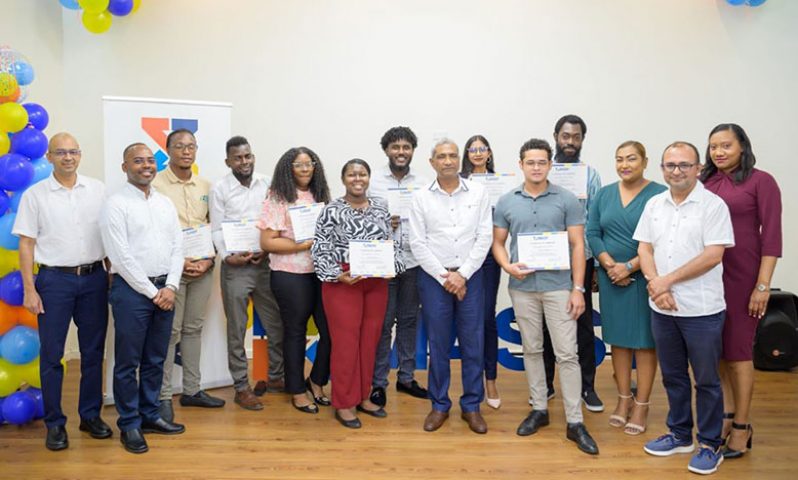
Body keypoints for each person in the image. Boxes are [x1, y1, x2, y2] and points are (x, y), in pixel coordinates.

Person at [493, 138, 599, 455]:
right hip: (523, 288)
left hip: (558, 287)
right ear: (521, 164)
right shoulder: (507, 201)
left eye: (542, 162)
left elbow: (579, 245)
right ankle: (539, 409)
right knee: (533, 349)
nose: (536, 167)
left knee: (567, 353)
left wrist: (578, 288)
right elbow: (498, 242)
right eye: (530, 162)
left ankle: (575, 421)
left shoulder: (567, 199)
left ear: (549, 165)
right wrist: (507, 265)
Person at [635, 141, 734, 475]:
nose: (676, 171)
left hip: (701, 310)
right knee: (673, 376)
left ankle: (709, 444)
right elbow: (645, 247)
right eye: (670, 165)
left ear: (698, 168)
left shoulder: (713, 205)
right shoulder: (654, 204)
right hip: (662, 308)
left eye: (684, 165)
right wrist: (655, 283)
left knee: (706, 380)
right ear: (661, 168)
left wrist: (667, 281)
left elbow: (713, 255)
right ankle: (680, 435)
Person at [13, 133, 111, 451]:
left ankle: (90, 416)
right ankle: (55, 424)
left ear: (80, 155)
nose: (68, 157)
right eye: (60, 152)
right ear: (51, 157)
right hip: (54, 282)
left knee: (93, 353)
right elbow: (26, 244)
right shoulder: (35, 195)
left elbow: (109, 235)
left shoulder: (97, 190)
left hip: (95, 278)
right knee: (52, 355)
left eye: (73, 152)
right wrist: (30, 288)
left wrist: (113, 273)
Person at [701, 124, 782, 459]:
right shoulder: (706, 182)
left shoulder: (761, 181)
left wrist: (762, 285)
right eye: (713, 147)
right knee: (718, 352)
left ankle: (743, 426)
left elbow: (772, 237)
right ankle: (727, 416)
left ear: (742, 146)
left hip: (743, 277)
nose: (719, 152)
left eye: (726, 146)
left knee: (738, 354)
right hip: (708, 276)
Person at [100, 143, 186, 454]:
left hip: (165, 289)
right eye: (137, 161)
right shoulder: (115, 204)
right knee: (128, 362)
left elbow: (179, 246)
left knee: (155, 359)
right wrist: (154, 294)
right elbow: (120, 258)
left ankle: (150, 415)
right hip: (132, 292)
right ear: (125, 167)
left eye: (150, 160)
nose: (146, 165)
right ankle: (130, 424)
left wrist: (172, 287)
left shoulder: (164, 203)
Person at [312, 159, 405, 428]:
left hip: (376, 282)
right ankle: (343, 402)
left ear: (368, 177)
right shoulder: (331, 210)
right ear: (343, 179)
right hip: (343, 282)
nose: (357, 179)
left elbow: (391, 242)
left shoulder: (380, 206)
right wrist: (338, 274)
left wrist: (393, 268)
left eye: (362, 174)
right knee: (345, 343)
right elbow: (320, 248)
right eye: (352, 174)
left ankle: (363, 396)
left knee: (370, 341)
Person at [408, 139, 492, 434]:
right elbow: (417, 242)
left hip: (471, 277)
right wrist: (446, 276)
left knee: (473, 344)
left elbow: (485, 237)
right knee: (439, 344)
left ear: (460, 159)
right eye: (441, 156)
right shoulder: (420, 198)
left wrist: (463, 275)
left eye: (452, 155)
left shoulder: (479, 192)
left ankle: (471, 406)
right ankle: (439, 404)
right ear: (432, 163)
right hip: (434, 280)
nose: (447, 160)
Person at [586, 141, 666, 436]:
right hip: (610, 278)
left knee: (645, 343)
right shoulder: (604, 194)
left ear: (645, 161)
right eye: (619, 159)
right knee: (618, 341)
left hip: (646, 277)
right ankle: (623, 400)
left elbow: (663, 238)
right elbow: (593, 231)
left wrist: (629, 267)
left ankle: (642, 404)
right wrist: (609, 266)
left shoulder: (659, 195)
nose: (624, 164)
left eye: (631, 159)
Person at [152, 129, 224, 422]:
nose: (186, 151)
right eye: (179, 146)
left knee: (194, 329)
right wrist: (180, 262)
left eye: (191, 146)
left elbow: (213, 226)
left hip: (203, 269)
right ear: (167, 149)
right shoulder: (155, 185)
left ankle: (192, 390)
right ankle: (164, 396)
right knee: (170, 333)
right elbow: (153, 231)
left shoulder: (207, 185)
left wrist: (209, 259)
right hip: (172, 270)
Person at [209, 136, 284, 411]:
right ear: (228, 161)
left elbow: (276, 221)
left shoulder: (268, 184)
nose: (245, 162)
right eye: (238, 158)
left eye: (248, 156)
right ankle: (242, 387)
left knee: (276, 324)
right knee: (237, 329)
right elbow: (216, 228)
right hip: (236, 268)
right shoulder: (220, 188)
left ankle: (276, 377)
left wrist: (268, 248)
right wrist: (229, 256)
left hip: (265, 263)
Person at [259, 147, 332, 414]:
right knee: (295, 332)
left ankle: (316, 380)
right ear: (288, 168)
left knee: (331, 331)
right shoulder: (278, 197)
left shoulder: (321, 195)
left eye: (309, 163)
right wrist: (304, 245)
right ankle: (297, 391)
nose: (304, 169)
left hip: (322, 272)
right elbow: (267, 241)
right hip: (289, 274)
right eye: (298, 164)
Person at [543, 114, 604, 412]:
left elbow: (594, 219)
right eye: (565, 136)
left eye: (576, 137)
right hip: (545, 260)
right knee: (544, 323)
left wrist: (592, 263)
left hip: (581, 259)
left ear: (582, 140)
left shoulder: (591, 175)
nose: (570, 142)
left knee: (582, 324)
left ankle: (586, 386)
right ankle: (546, 386)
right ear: (556, 135)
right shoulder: (541, 169)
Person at [367, 126, 429, 407]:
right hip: (383, 262)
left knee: (409, 321)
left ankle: (406, 378)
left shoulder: (425, 182)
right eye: (395, 147)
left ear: (413, 150)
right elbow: (360, 216)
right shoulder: (373, 181)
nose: (401, 152)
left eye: (406, 147)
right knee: (382, 324)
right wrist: (381, 222)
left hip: (414, 261)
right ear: (386, 150)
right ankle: (378, 383)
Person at [460, 134, 502, 409]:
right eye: (472, 149)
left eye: (481, 148)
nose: (477, 153)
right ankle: (470, 384)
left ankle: (490, 380)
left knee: (486, 318)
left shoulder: (501, 182)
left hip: (488, 258)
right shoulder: (458, 181)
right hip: (460, 258)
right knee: (464, 321)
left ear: (488, 153)